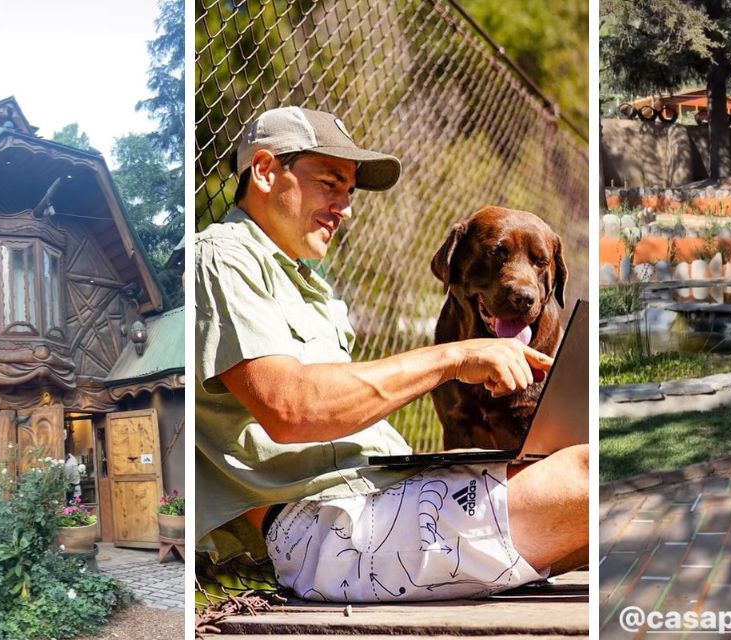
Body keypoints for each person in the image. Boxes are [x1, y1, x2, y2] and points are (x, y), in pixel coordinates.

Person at [195, 106, 588, 603]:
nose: (345, 208)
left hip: (385, 501)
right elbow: (291, 409)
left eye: (349, 192)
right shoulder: (221, 257)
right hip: (328, 534)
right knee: (593, 473)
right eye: (330, 183)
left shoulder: (308, 286)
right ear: (266, 171)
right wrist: (453, 357)